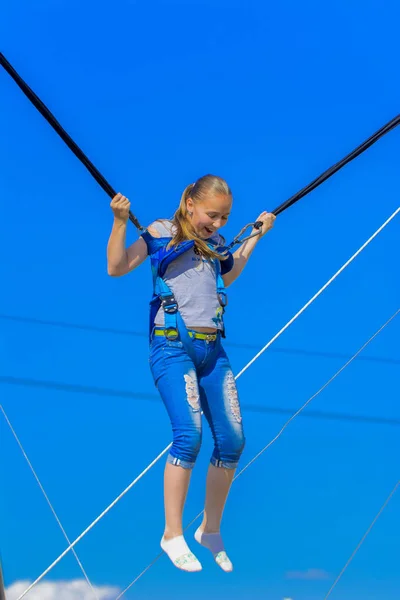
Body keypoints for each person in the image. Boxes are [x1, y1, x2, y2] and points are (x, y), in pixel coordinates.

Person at [107, 174, 275, 573]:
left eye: (224, 218)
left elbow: (228, 274)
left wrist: (254, 235)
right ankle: (172, 533)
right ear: (189, 206)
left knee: (233, 440)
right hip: (171, 346)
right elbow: (117, 267)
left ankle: (210, 530)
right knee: (189, 435)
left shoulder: (217, 245)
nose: (217, 225)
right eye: (212, 216)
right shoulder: (161, 232)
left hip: (212, 350)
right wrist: (118, 221)